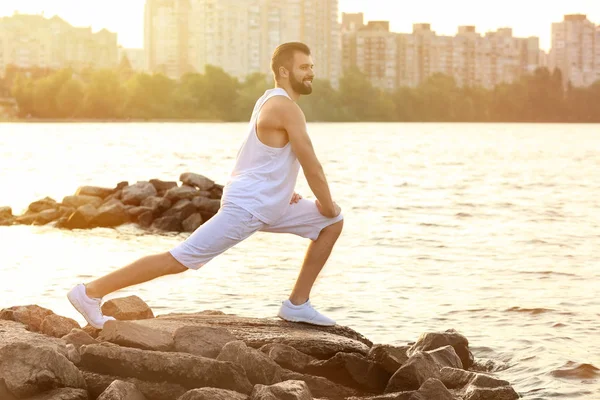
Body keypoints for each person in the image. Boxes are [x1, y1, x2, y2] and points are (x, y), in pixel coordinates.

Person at [67, 42, 343, 329]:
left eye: (311, 66)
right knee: (179, 259)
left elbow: (263, 158)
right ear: (284, 72)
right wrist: (325, 203)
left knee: (332, 222)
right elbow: (312, 165)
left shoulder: (270, 101)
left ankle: (297, 304)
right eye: (304, 67)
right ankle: (89, 293)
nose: (311, 72)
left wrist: (284, 191)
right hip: (248, 207)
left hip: (266, 203)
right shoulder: (284, 107)